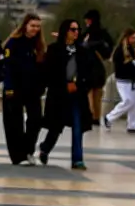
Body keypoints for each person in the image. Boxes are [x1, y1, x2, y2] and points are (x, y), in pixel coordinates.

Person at [39, 19, 95, 170]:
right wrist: (65, 84)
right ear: (65, 31)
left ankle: (77, 159)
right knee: (56, 128)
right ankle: (45, 148)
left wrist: (79, 85)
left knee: (78, 127)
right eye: (73, 29)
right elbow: (49, 72)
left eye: (78, 29)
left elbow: (89, 72)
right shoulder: (54, 50)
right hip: (59, 95)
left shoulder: (82, 51)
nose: (76, 32)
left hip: (77, 95)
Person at [1, 13, 46, 165]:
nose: (35, 29)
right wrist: (9, 89)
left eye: (38, 27)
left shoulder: (38, 45)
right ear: (25, 25)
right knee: (15, 124)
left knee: (36, 120)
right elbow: (8, 67)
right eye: (33, 26)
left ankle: (28, 150)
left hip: (33, 90)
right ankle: (18, 156)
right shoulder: (13, 43)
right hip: (15, 88)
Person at [105, 29, 135, 134]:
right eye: (133, 37)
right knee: (128, 100)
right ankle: (109, 117)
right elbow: (121, 66)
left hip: (134, 79)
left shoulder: (133, 49)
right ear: (127, 37)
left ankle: (132, 125)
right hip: (123, 80)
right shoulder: (119, 50)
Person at [82, 9, 114, 125]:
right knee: (98, 93)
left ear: (89, 20)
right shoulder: (104, 34)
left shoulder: (87, 35)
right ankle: (96, 116)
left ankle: (90, 115)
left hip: (88, 67)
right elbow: (110, 48)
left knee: (89, 93)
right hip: (100, 67)